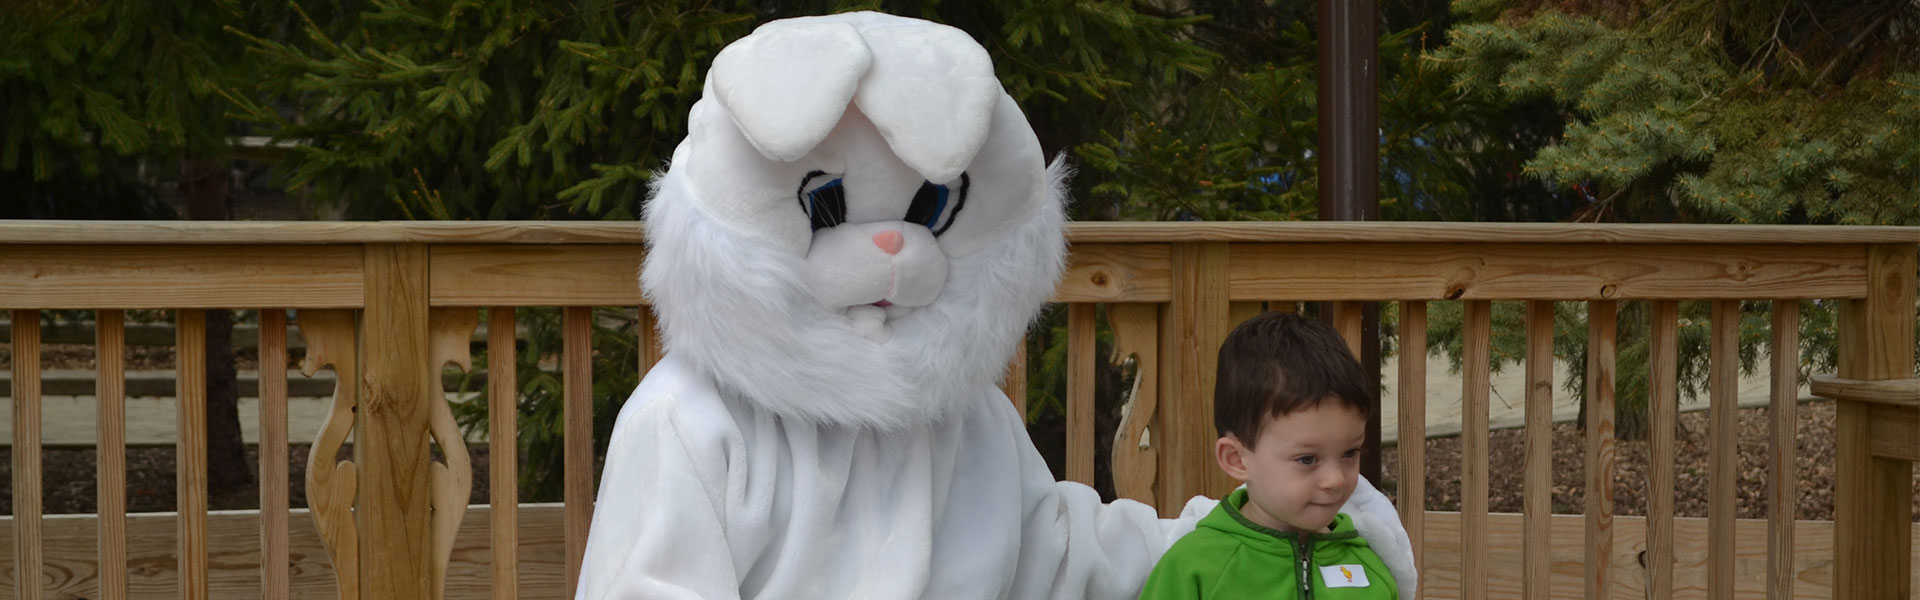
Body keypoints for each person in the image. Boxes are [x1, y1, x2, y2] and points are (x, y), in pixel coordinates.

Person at [1139, 312, 1399, 599]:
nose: (1335, 479)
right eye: (1307, 459)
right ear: (1236, 459)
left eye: (1349, 452)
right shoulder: (1193, 567)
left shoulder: (1367, 566)